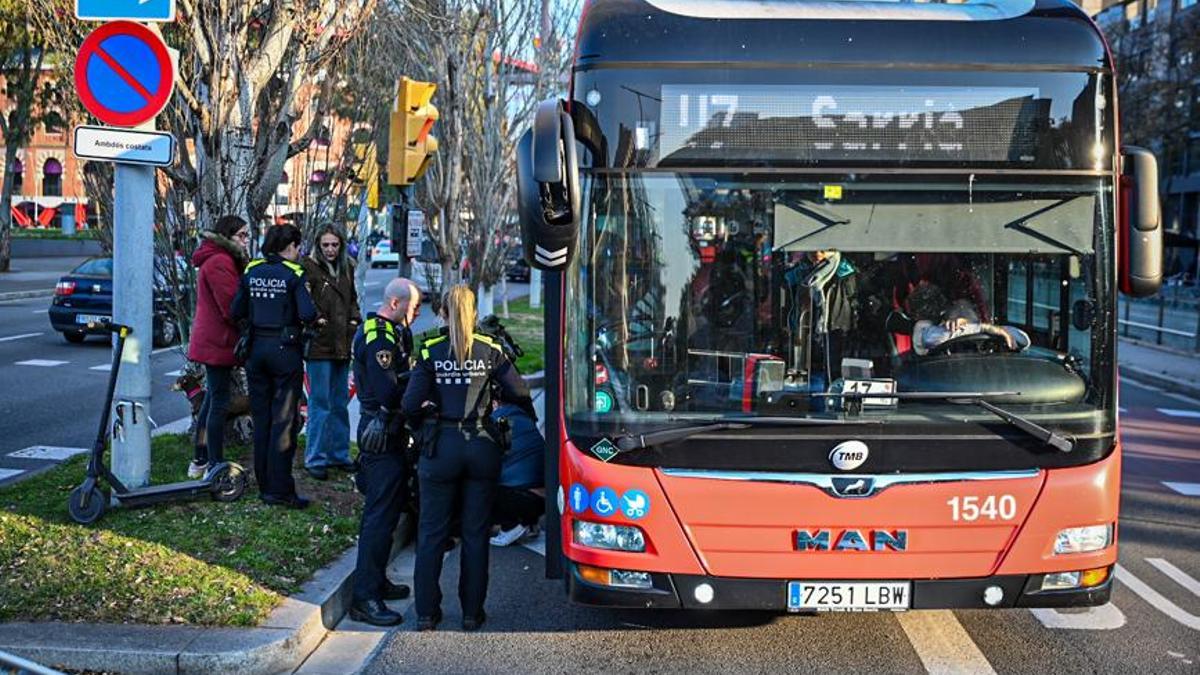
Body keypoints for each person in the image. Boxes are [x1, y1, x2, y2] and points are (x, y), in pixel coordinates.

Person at [402, 285, 536, 632]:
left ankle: (427, 614)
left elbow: (409, 405)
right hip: (481, 445)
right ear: (473, 313)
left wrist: (428, 413)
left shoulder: (431, 350)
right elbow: (520, 392)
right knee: (476, 534)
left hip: (440, 447)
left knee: (431, 533)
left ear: (443, 313)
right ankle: (472, 614)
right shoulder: (490, 349)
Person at [347, 278, 421, 626]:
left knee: (390, 513)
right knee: (378, 517)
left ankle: (376, 581)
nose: (416, 314)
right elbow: (388, 393)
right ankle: (364, 599)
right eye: (413, 307)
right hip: (380, 432)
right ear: (395, 303)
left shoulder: (392, 333)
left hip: (390, 431)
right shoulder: (379, 336)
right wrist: (419, 386)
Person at [231, 224, 318, 509]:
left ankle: (264, 483)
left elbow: (236, 311)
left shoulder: (252, 269)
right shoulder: (293, 274)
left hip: (256, 350)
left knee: (262, 418)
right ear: (291, 246)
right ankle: (280, 489)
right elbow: (307, 313)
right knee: (284, 421)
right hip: (284, 352)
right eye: (298, 247)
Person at [187, 215, 250, 478]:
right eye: (242, 235)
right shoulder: (220, 262)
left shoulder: (219, 259)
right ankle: (213, 464)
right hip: (218, 340)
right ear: (228, 236)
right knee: (219, 402)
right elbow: (230, 307)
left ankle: (201, 459)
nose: (246, 240)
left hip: (215, 339)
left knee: (212, 398)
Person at [301, 225, 362, 481]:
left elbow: (352, 301)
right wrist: (317, 321)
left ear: (341, 244)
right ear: (318, 245)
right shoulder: (309, 267)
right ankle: (315, 457)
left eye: (334, 245)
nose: (330, 250)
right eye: (325, 245)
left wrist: (354, 321)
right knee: (319, 404)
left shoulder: (347, 267)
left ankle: (338, 454)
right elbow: (304, 302)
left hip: (341, 344)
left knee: (339, 403)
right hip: (319, 345)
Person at [907, 284, 1030, 356]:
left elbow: (1024, 340)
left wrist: (995, 331)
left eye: (967, 311)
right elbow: (932, 338)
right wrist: (983, 328)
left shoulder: (984, 330)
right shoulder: (923, 329)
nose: (963, 321)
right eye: (958, 311)